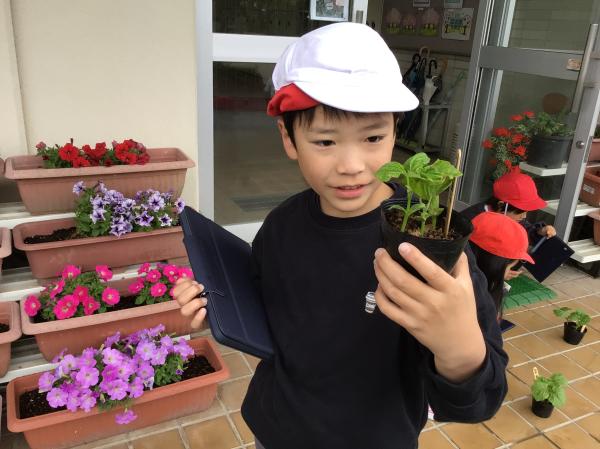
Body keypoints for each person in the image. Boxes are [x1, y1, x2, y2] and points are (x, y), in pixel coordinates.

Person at [173, 22, 507, 449]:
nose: (351, 165)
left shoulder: (430, 243)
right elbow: (264, 304)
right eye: (325, 142)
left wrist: (458, 345)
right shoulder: (282, 225)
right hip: (276, 430)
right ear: (289, 139)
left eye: (373, 137)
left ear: (396, 131)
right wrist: (218, 302)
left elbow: (479, 402)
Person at [461, 167, 556, 280]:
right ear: (501, 205)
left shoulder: (512, 218)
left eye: (527, 211)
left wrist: (539, 232)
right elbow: (464, 259)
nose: (524, 216)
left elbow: (524, 231)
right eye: (520, 211)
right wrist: (496, 274)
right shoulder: (470, 221)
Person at [469, 212, 534, 317]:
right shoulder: (478, 301)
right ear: (493, 264)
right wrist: (497, 277)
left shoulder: (457, 272)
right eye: (508, 264)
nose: (524, 216)